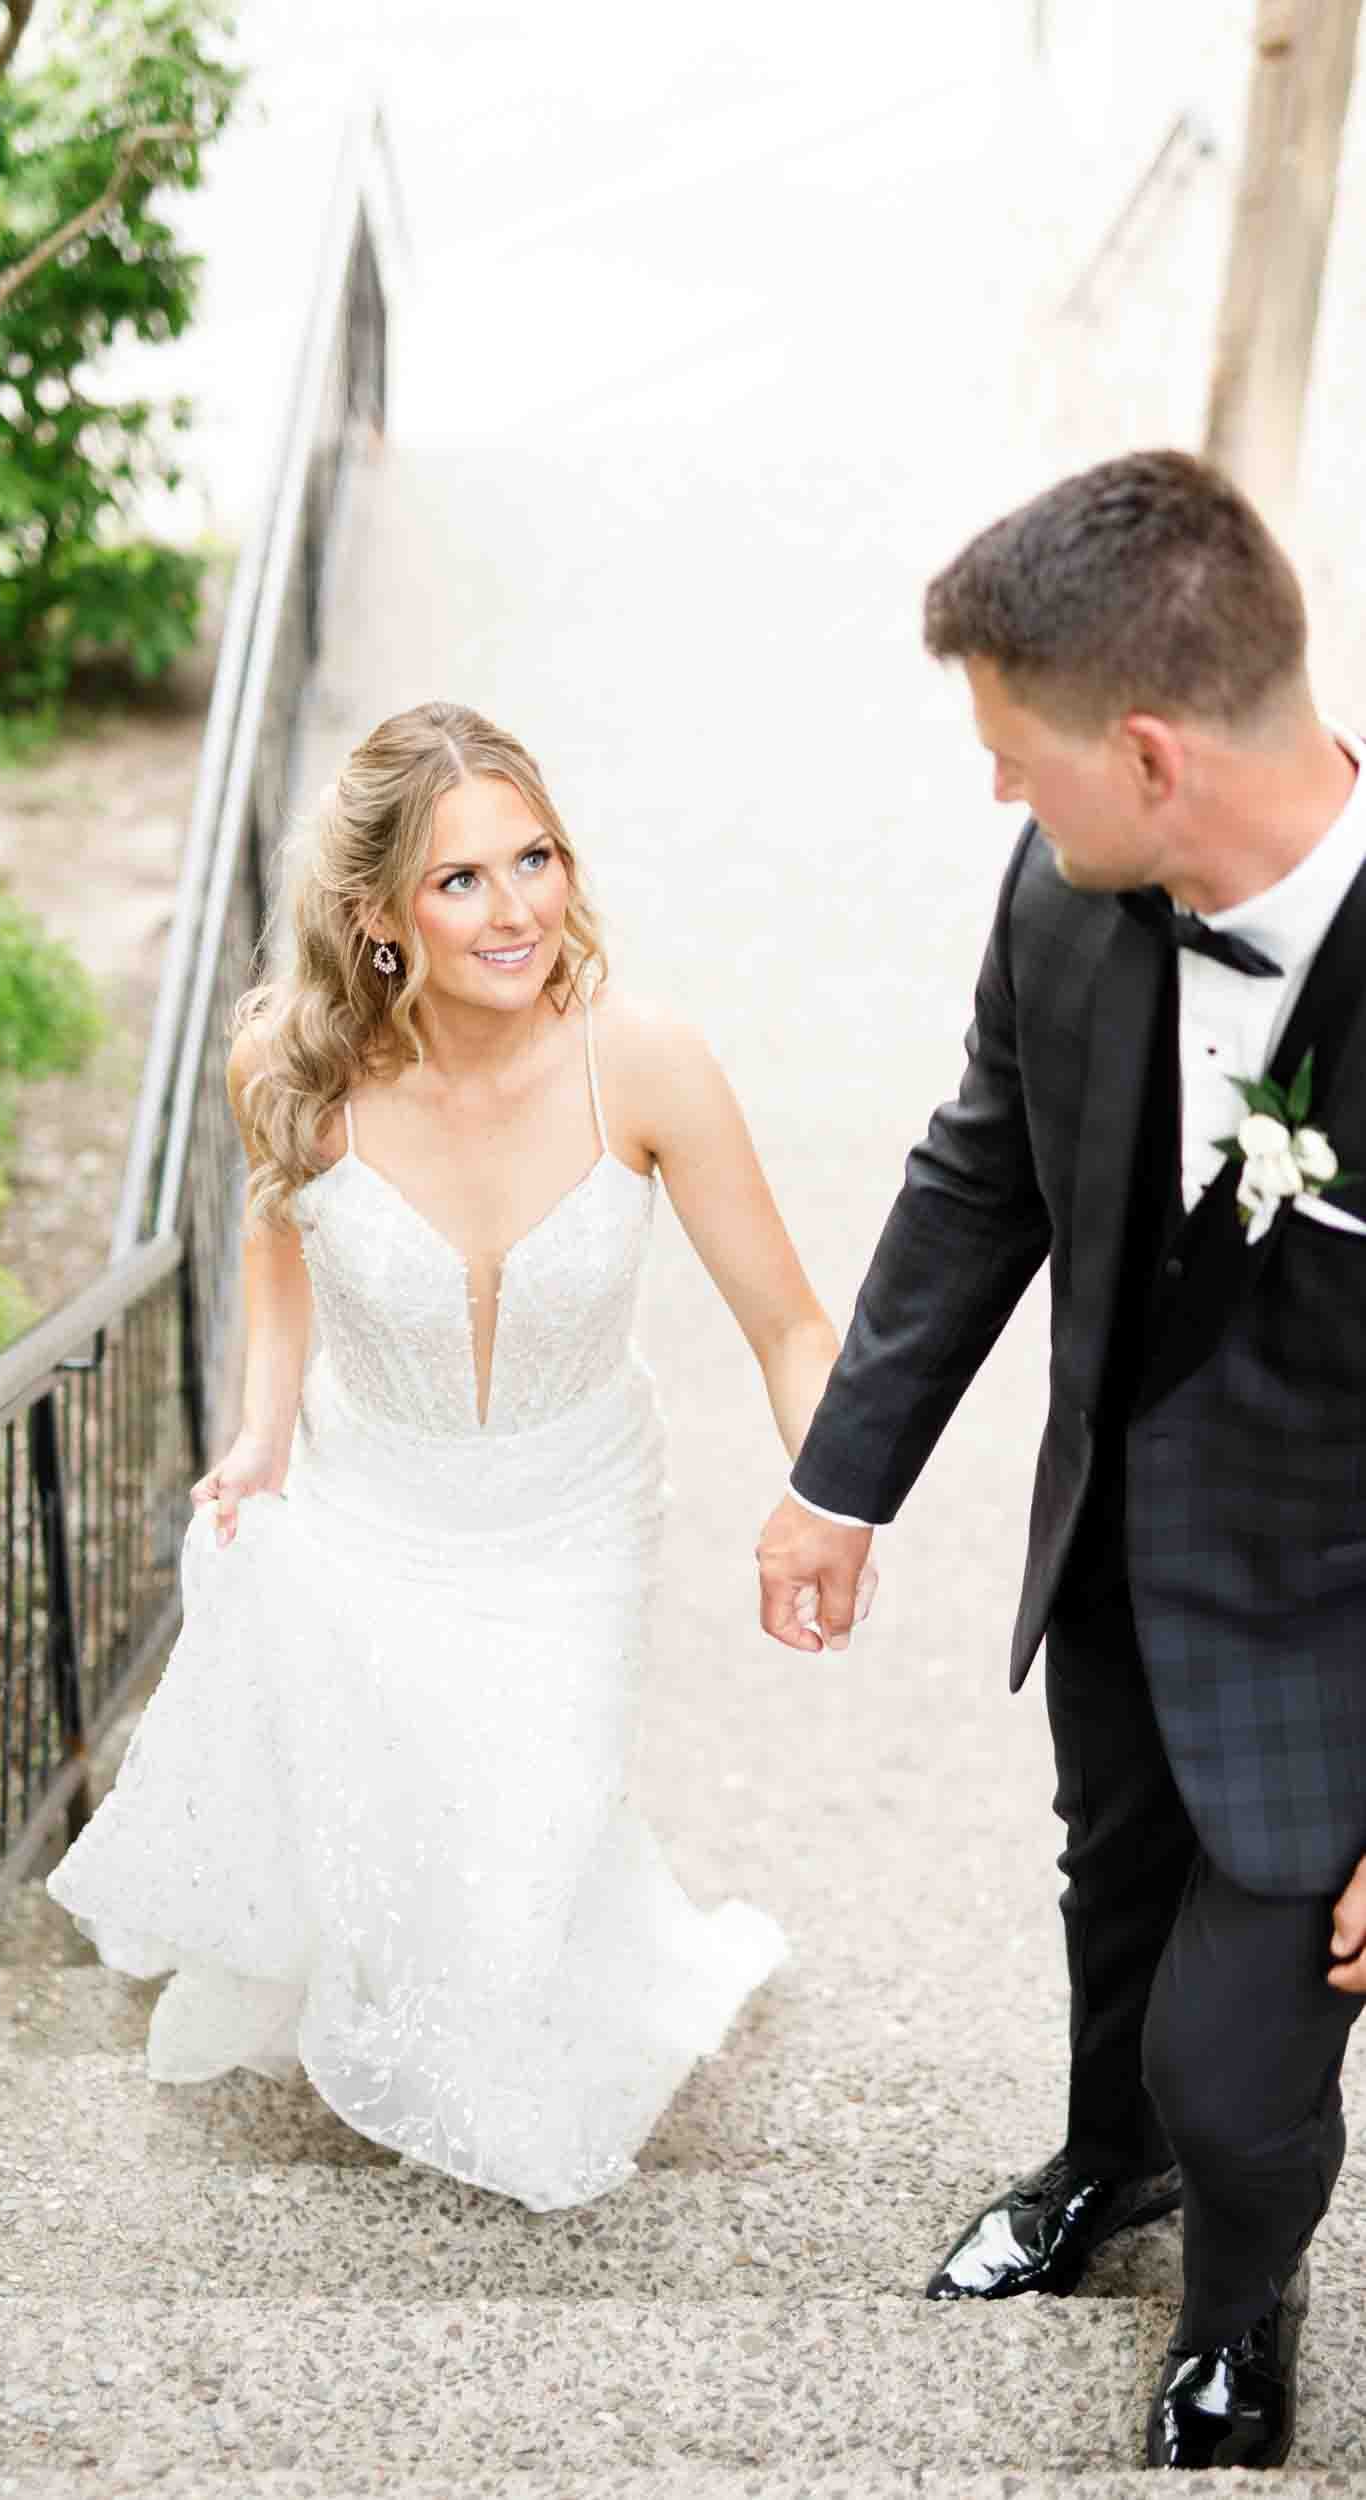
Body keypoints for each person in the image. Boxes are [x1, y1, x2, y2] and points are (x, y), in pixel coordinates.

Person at [755, 450, 1366, 2471]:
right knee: (1108, 1892)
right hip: (1115, 1537)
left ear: (1151, 753)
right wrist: (842, 1479)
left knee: (1237, 2060)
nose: (999, 794)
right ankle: (1109, 2160)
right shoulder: (1065, 893)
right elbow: (978, 1177)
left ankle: (1236, 2304)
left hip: (1336, 1626)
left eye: (1016, 756)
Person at [51, 699, 860, 2211]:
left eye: (534, 859)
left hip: (574, 1514)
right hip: (377, 1500)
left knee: (523, 1834)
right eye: (461, 880)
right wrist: (261, 1436)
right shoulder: (286, 1065)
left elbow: (790, 1324)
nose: (516, 912)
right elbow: (279, 1255)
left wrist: (836, 1497)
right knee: (412, 1821)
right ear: (377, 916)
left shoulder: (645, 1064)